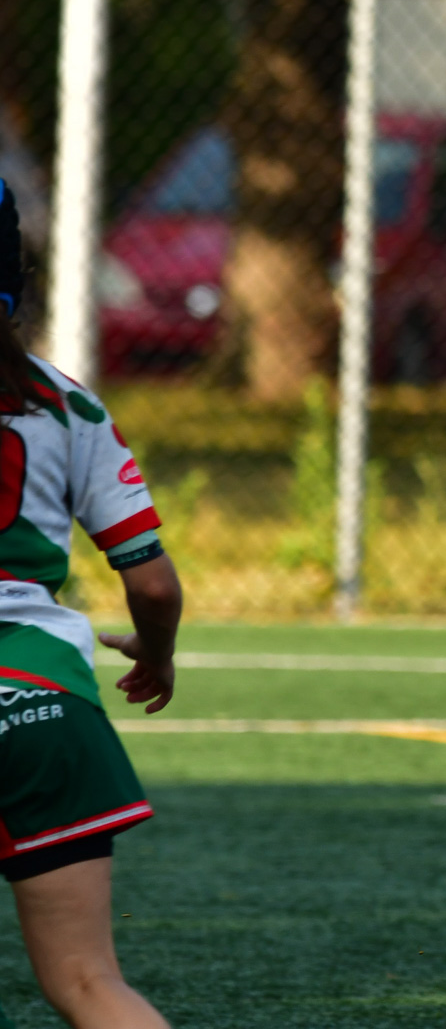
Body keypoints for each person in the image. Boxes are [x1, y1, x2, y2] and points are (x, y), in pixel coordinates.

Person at [0, 178, 180, 1029]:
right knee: (87, 982)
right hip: (43, 702)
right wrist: (156, 653)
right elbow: (151, 583)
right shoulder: (65, 403)